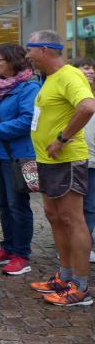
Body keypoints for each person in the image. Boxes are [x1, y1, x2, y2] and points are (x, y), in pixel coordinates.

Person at [27, 30, 95, 306]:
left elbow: (87, 107)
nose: (28, 55)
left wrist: (62, 138)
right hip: (49, 160)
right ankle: (64, 277)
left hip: (66, 159)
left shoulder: (69, 75)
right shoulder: (50, 78)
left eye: (30, 49)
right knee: (54, 216)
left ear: (44, 49)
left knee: (71, 219)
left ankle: (80, 287)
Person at [0, 44, 39, 274]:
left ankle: (21, 254)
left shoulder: (28, 88)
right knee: (3, 204)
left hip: (17, 155)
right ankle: (8, 247)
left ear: (12, 61)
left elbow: (26, 121)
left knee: (17, 205)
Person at [73, 56, 95, 264]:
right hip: (76, 158)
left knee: (90, 206)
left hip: (93, 159)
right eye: (85, 68)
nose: (91, 71)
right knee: (74, 207)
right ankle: (73, 247)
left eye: (92, 68)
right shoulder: (71, 93)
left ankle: (85, 244)